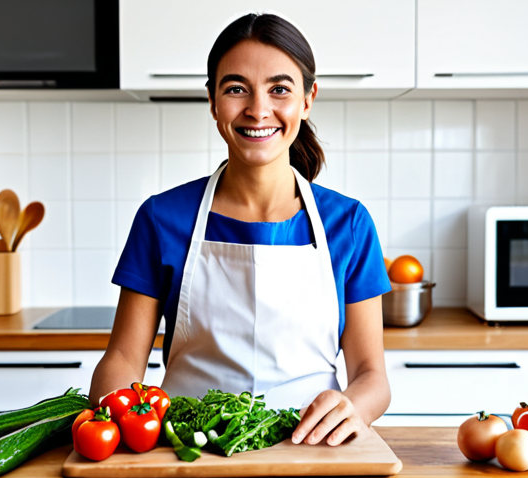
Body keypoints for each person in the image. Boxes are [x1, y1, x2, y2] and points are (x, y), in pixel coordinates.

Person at [90, 12, 391, 446]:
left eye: (279, 90)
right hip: (187, 450)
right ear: (213, 100)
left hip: (309, 449)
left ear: (307, 100)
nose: (257, 110)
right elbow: (121, 358)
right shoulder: (162, 218)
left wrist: (353, 407)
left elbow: (371, 376)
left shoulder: (349, 223)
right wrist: (122, 416)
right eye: (236, 89)